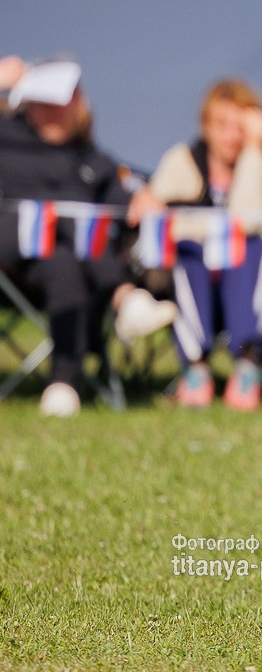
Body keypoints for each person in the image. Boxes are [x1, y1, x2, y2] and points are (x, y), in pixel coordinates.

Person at [0, 57, 175, 418]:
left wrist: (143, 197)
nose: (55, 114)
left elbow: (122, 204)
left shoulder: (91, 159)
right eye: (45, 105)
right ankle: (124, 299)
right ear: (28, 104)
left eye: (63, 105)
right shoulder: (7, 136)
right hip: (9, 259)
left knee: (66, 257)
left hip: (61, 266)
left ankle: (64, 384)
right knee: (70, 219)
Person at [129, 80, 262, 411]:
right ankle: (196, 368)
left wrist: (254, 150)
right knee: (189, 249)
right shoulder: (181, 161)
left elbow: (247, 221)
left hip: (243, 279)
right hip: (192, 275)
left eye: (241, 127)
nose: (232, 136)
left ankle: (247, 365)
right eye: (222, 126)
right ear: (205, 127)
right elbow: (153, 213)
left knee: (250, 247)